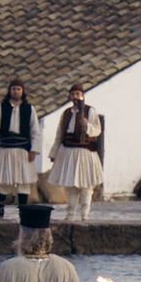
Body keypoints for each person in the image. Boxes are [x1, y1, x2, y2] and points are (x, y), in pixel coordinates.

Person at [50, 85, 106, 222]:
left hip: (85, 152)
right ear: (70, 96)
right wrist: (54, 152)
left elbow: (97, 130)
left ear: (82, 95)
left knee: (86, 186)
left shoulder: (90, 111)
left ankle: (85, 215)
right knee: (71, 186)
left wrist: (87, 125)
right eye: (73, 94)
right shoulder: (66, 113)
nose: (75, 96)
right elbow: (60, 134)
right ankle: (70, 214)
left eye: (78, 94)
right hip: (68, 152)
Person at [0, 79, 40, 218]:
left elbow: (35, 131)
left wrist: (34, 150)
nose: (16, 91)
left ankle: (23, 210)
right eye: (13, 89)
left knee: (23, 182)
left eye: (18, 89)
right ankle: (0, 209)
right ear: (9, 91)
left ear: (22, 91)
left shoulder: (29, 109)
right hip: (5, 147)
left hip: (22, 149)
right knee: (1, 181)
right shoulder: (0, 107)